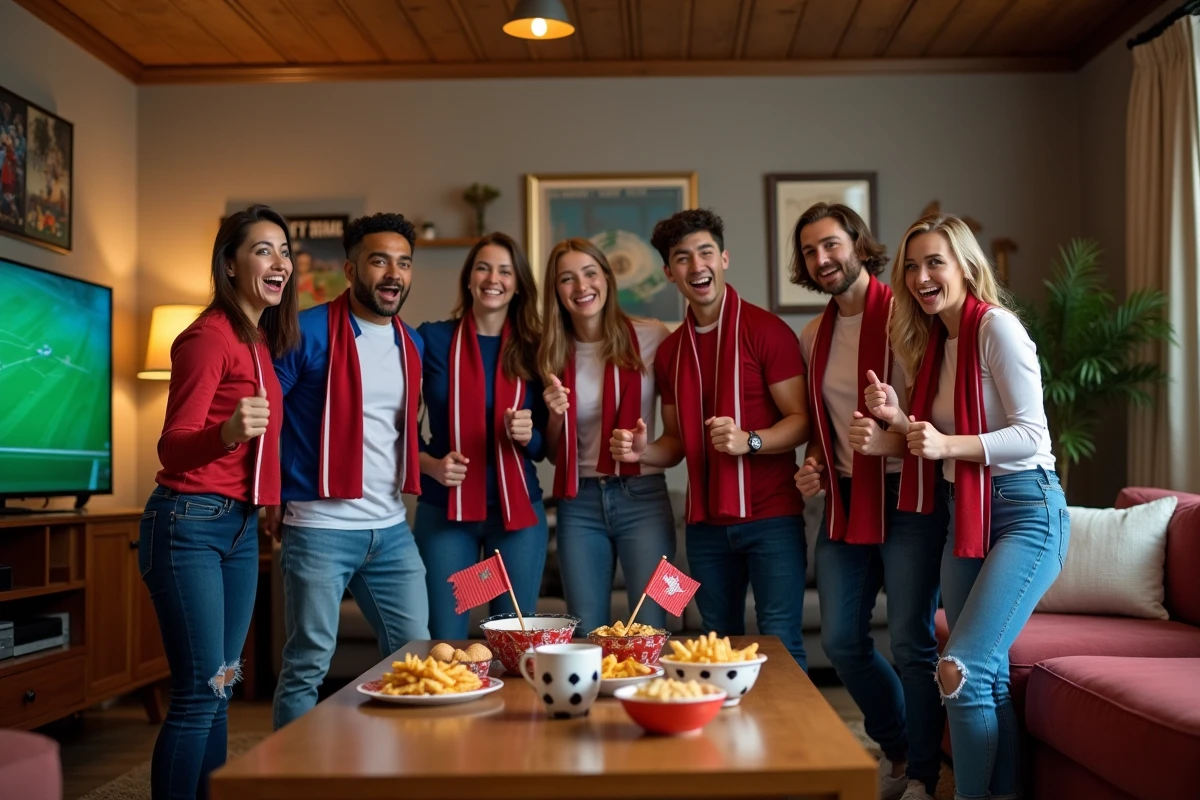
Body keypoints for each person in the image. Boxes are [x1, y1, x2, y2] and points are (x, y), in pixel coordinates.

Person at [868, 213, 1068, 800]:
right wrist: (899, 421)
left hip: (1028, 511)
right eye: (911, 265)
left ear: (965, 266)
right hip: (969, 511)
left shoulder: (996, 329)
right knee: (988, 679)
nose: (920, 275)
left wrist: (944, 443)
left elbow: (1033, 436)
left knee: (958, 671)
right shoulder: (938, 343)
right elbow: (935, 438)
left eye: (935, 262)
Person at [140, 204, 298, 799]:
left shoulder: (256, 339)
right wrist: (226, 434)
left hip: (234, 528)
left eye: (283, 251)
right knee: (199, 691)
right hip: (188, 524)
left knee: (220, 687)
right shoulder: (208, 338)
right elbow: (173, 446)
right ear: (229, 264)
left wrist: (272, 503)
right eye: (263, 250)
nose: (279, 261)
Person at [791, 203, 947, 800]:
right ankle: (901, 748)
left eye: (830, 244)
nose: (822, 259)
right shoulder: (813, 335)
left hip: (908, 495)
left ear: (858, 242)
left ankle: (926, 776)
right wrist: (812, 462)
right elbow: (822, 425)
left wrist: (894, 435)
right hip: (847, 498)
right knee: (843, 642)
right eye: (809, 252)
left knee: (910, 643)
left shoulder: (911, 319)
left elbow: (941, 419)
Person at [610, 208, 810, 667]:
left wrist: (750, 441)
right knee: (714, 647)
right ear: (669, 273)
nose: (696, 266)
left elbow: (801, 420)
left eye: (705, 253)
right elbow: (675, 442)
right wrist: (644, 452)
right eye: (683, 258)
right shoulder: (671, 352)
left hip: (772, 519)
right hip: (704, 527)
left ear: (723, 259)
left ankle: (792, 741)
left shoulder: (767, 331)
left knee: (781, 640)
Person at [267, 213, 430, 729]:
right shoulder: (305, 330)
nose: (392, 274)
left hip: (390, 529)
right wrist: (270, 497)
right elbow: (266, 420)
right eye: (379, 260)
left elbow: (396, 435)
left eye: (403, 263)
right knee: (306, 667)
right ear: (351, 268)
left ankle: (400, 768)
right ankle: (290, 784)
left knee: (414, 659)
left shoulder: (412, 344)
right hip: (318, 529)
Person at [413, 232, 549, 637]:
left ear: (518, 283)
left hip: (517, 520)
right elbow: (398, 425)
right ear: (469, 279)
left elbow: (545, 446)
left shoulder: (535, 348)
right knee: (447, 643)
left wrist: (529, 434)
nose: (494, 278)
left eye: (505, 271)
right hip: (446, 517)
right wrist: (430, 466)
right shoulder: (431, 340)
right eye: (483, 268)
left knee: (514, 644)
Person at [538, 237, 675, 635]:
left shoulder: (654, 337)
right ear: (557, 291)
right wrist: (554, 416)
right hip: (578, 502)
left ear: (608, 278)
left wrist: (643, 452)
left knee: (652, 629)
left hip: (644, 497)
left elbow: (678, 444)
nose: (581, 287)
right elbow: (551, 452)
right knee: (585, 632)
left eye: (590, 273)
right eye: (567, 279)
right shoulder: (549, 352)